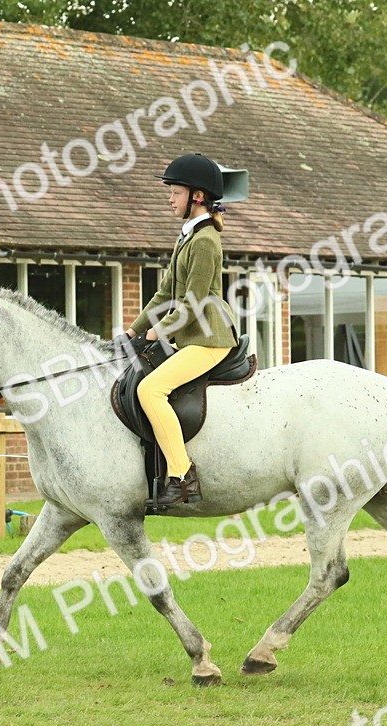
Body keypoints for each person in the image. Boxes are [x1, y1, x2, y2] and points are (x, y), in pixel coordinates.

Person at [125, 153, 245, 508]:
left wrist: (156, 333)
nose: (170, 199)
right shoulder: (187, 237)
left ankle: (182, 477)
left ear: (197, 196)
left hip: (210, 338)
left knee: (150, 390)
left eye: (175, 192)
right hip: (193, 336)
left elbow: (192, 303)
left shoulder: (205, 240)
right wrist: (133, 330)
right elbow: (164, 294)